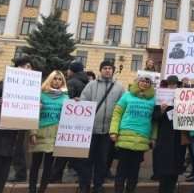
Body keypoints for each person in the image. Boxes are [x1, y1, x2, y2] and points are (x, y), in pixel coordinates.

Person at [78, 60, 124, 193]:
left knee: (102, 161)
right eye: (105, 68)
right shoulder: (91, 85)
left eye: (110, 68)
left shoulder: (119, 87)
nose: (108, 70)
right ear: (100, 70)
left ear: (113, 70)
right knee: (87, 160)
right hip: (90, 131)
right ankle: (84, 186)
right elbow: (83, 100)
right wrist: (78, 103)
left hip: (108, 132)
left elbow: (123, 107)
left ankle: (98, 186)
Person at [110, 73, 156, 193]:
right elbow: (117, 114)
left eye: (147, 82)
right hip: (125, 136)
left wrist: (153, 137)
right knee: (121, 171)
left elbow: (155, 121)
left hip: (142, 139)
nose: (145, 83)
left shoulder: (154, 99)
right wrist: (114, 131)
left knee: (134, 172)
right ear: (137, 82)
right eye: (142, 81)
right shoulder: (127, 96)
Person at [0, 56, 33, 193]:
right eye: (25, 66)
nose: (28, 69)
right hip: (0, 134)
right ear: (17, 68)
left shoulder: (30, 90)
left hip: (14, 137)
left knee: (3, 172)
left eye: (30, 67)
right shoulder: (5, 84)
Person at [29, 70, 69, 193]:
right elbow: (33, 114)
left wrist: (75, 104)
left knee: (48, 166)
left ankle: (42, 190)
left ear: (63, 82)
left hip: (55, 135)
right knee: (35, 165)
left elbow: (69, 117)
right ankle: (31, 190)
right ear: (50, 79)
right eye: (55, 78)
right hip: (40, 133)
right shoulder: (41, 95)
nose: (57, 81)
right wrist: (33, 132)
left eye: (60, 79)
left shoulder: (66, 97)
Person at [152, 75, 186, 193]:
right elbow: (154, 117)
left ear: (178, 85)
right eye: (170, 84)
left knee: (176, 167)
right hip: (165, 137)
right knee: (164, 167)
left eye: (174, 84)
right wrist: (161, 110)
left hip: (178, 137)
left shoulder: (183, 97)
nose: (172, 86)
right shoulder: (160, 98)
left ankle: (171, 189)